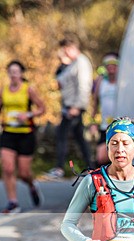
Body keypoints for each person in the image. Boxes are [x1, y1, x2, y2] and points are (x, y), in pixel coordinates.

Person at [0, 60, 46, 214]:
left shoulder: (28, 89)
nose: (13, 75)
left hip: (25, 133)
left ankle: (32, 185)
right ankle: (13, 202)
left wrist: (28, 114)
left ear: (21, 74)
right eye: (11, 72)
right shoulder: (4, 90)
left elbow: (42, 108)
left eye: (16, 72)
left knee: (24, 173)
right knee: (8, 168)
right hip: (8, 132)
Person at [45, 37, 94, 179]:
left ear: (71, 48)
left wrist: (78, 107)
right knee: (79, 138)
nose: (64, 53)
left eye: (65, 50)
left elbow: (84, 86)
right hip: (69, 106)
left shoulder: (82, 62)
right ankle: (90, 168)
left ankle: (59, 168)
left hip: (74, 107)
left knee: (62, 135)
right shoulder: (73, 64)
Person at [89, 53, 119, 167]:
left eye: (114, 64)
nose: (111, 67)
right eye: (108, 65)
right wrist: (93, 122)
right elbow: (95, 103)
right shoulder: (101, 82)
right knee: (101, 158)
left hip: (120, 126)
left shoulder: (123, 82)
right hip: (105, 126)